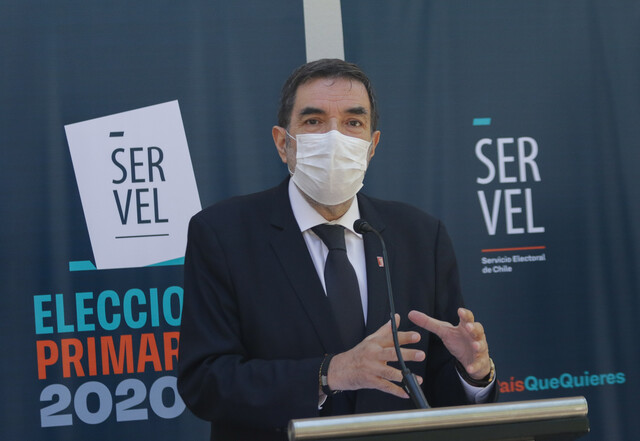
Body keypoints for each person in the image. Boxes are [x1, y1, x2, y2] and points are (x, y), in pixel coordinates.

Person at [177, 58, 498, 440]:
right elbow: (206, 382)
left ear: (372, 146)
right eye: (314, 121)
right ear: (283, 143)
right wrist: (330, 373)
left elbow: (437, 394)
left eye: (353, 122)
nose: (335, 138)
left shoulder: (421, 236)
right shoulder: (223, 234)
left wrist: (473, 374)